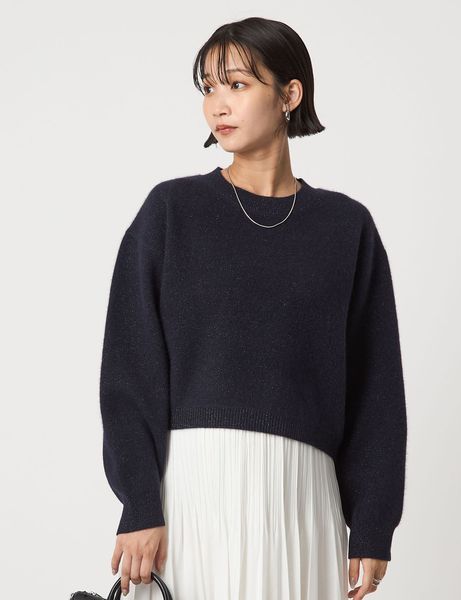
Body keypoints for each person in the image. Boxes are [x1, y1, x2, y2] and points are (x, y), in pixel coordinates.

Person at [99, 16, 407, 600]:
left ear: (289, 94)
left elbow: (376, 388)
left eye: (237, 84)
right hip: (190, 495)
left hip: (304, 499)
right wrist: (138, 502)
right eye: (208, 88)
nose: (218, 104)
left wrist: (373, 524)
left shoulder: (345, 227)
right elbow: (129, 371)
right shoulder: (172, 211)